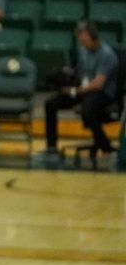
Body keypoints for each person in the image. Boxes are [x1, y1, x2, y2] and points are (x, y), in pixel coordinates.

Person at [39, 21, 119, 163]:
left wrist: (77, 90)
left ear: (93, 36)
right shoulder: (83, 50)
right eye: (80, 39)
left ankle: (107, 149)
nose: (81, 41)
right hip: (83, 89)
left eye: (84, 38)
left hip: (103, 93)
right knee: (50, 104)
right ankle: (51, 148)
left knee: (87, 111)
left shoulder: (107, 55)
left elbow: (98, 84)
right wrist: (68, 83)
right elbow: (81, 72)